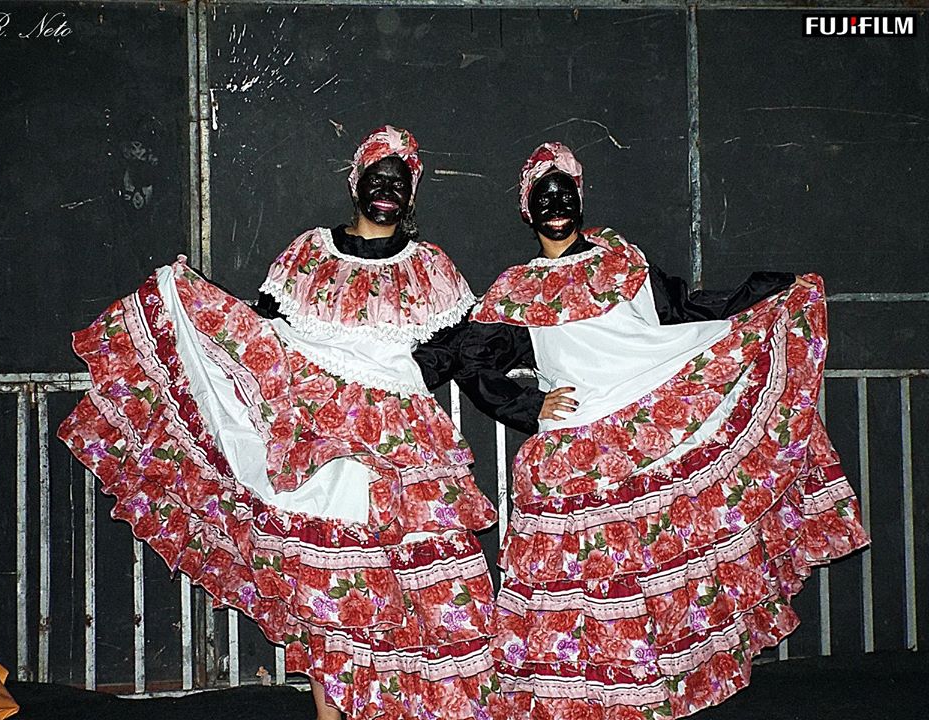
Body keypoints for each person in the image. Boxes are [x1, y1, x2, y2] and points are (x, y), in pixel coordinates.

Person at [59, 126, 501, 720]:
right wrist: (195, 308)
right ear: (356, 183)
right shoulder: (309, 254)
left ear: (412, 193)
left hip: (401, 439)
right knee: (327, 579)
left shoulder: (432, 268)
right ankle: (329, 714)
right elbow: (261, 332)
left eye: (399, 181)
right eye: (377, 176)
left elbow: (459, 346)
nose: (386, 189)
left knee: (422, 578)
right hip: (316, 434)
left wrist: (408, 374)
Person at [457, 142, 869, 720]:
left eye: (565, 192)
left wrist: (768, 294)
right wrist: (530, 406)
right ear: (528, 211)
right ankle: (597, 700)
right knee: (592, 584)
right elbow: (473, 360)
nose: (556, 205)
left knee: (663, 575)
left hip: (659, 425)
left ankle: (666, 692)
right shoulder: (517, 289)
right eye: (543, 196)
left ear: (580, 198)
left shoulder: (622, 261)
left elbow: (685, 310)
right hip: (580, 446)